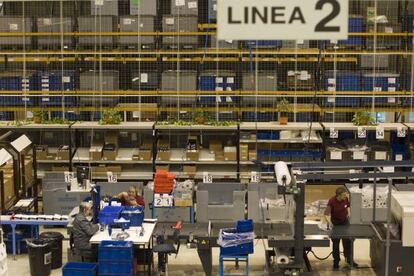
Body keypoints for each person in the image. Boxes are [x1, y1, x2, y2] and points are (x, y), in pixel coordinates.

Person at [324, 187, 358, 270]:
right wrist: (330, 223)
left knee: (347, 241)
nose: (345, 196)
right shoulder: (332, 201)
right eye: (343, 195)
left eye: (345, 194)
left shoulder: (345, 199)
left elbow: (348, 206)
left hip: (345, 222)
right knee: (336, 243)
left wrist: (349, 213)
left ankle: (349, 259)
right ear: (338, 195)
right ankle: (336, 261)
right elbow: (326, 214)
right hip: (335, 223)